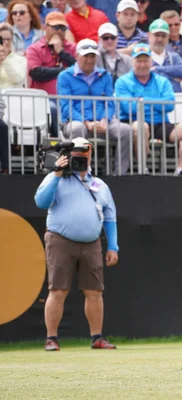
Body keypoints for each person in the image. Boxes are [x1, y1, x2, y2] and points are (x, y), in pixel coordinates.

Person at [34, 137, 119, 351]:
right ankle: (51, 338)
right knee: (58, 289)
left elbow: (110, 218)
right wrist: (56, 174)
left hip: (91, 243)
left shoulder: (99, 185)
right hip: (60, 240)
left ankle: (97, 338)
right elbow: (41, 202)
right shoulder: (56, 177)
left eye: (84, 154)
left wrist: (113, 246)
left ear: (90, 155)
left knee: (94, 291)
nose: (80, 158)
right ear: (69, 155)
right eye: (77, 155)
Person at [115, 43, 182, 176]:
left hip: (161, 123)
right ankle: (144, 170)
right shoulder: (122, 82)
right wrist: (157, 103)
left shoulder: (162, 81)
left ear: (151, 61)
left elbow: (170, 105)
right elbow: (129, 109)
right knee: (140, 127)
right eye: (139, 60)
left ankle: (180, 170)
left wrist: (144, 101)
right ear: (132, 62)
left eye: (145, 60)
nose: (142, 64)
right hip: (135, 121)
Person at [57, 38, 132, 176]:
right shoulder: (64, 76)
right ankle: (78, 173)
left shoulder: (105, 75)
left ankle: (120, 175)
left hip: (102, 122)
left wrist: (105, 119)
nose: (90, 60)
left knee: (126, 130)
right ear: (77, 55)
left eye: (93, 56)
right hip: (76, 121)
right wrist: (86, 122)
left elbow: (109, 102)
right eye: (86, 56)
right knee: (77, 128)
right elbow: (66, 106)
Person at [147, 18, 182, 92]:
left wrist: (156, 69)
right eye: (156, 35)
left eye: (163, 36)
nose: (160, 39)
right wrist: (171, 76)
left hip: (174, 98)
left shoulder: (174, 57)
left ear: (168, 37)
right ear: (149, 35)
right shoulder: (143, 57)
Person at [0, 23, 27, 89]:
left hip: (13, 98)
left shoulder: (21, 59)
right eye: (2, 39)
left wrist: (5, 60)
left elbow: (17, 78)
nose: (5, 42)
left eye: (8, 39)